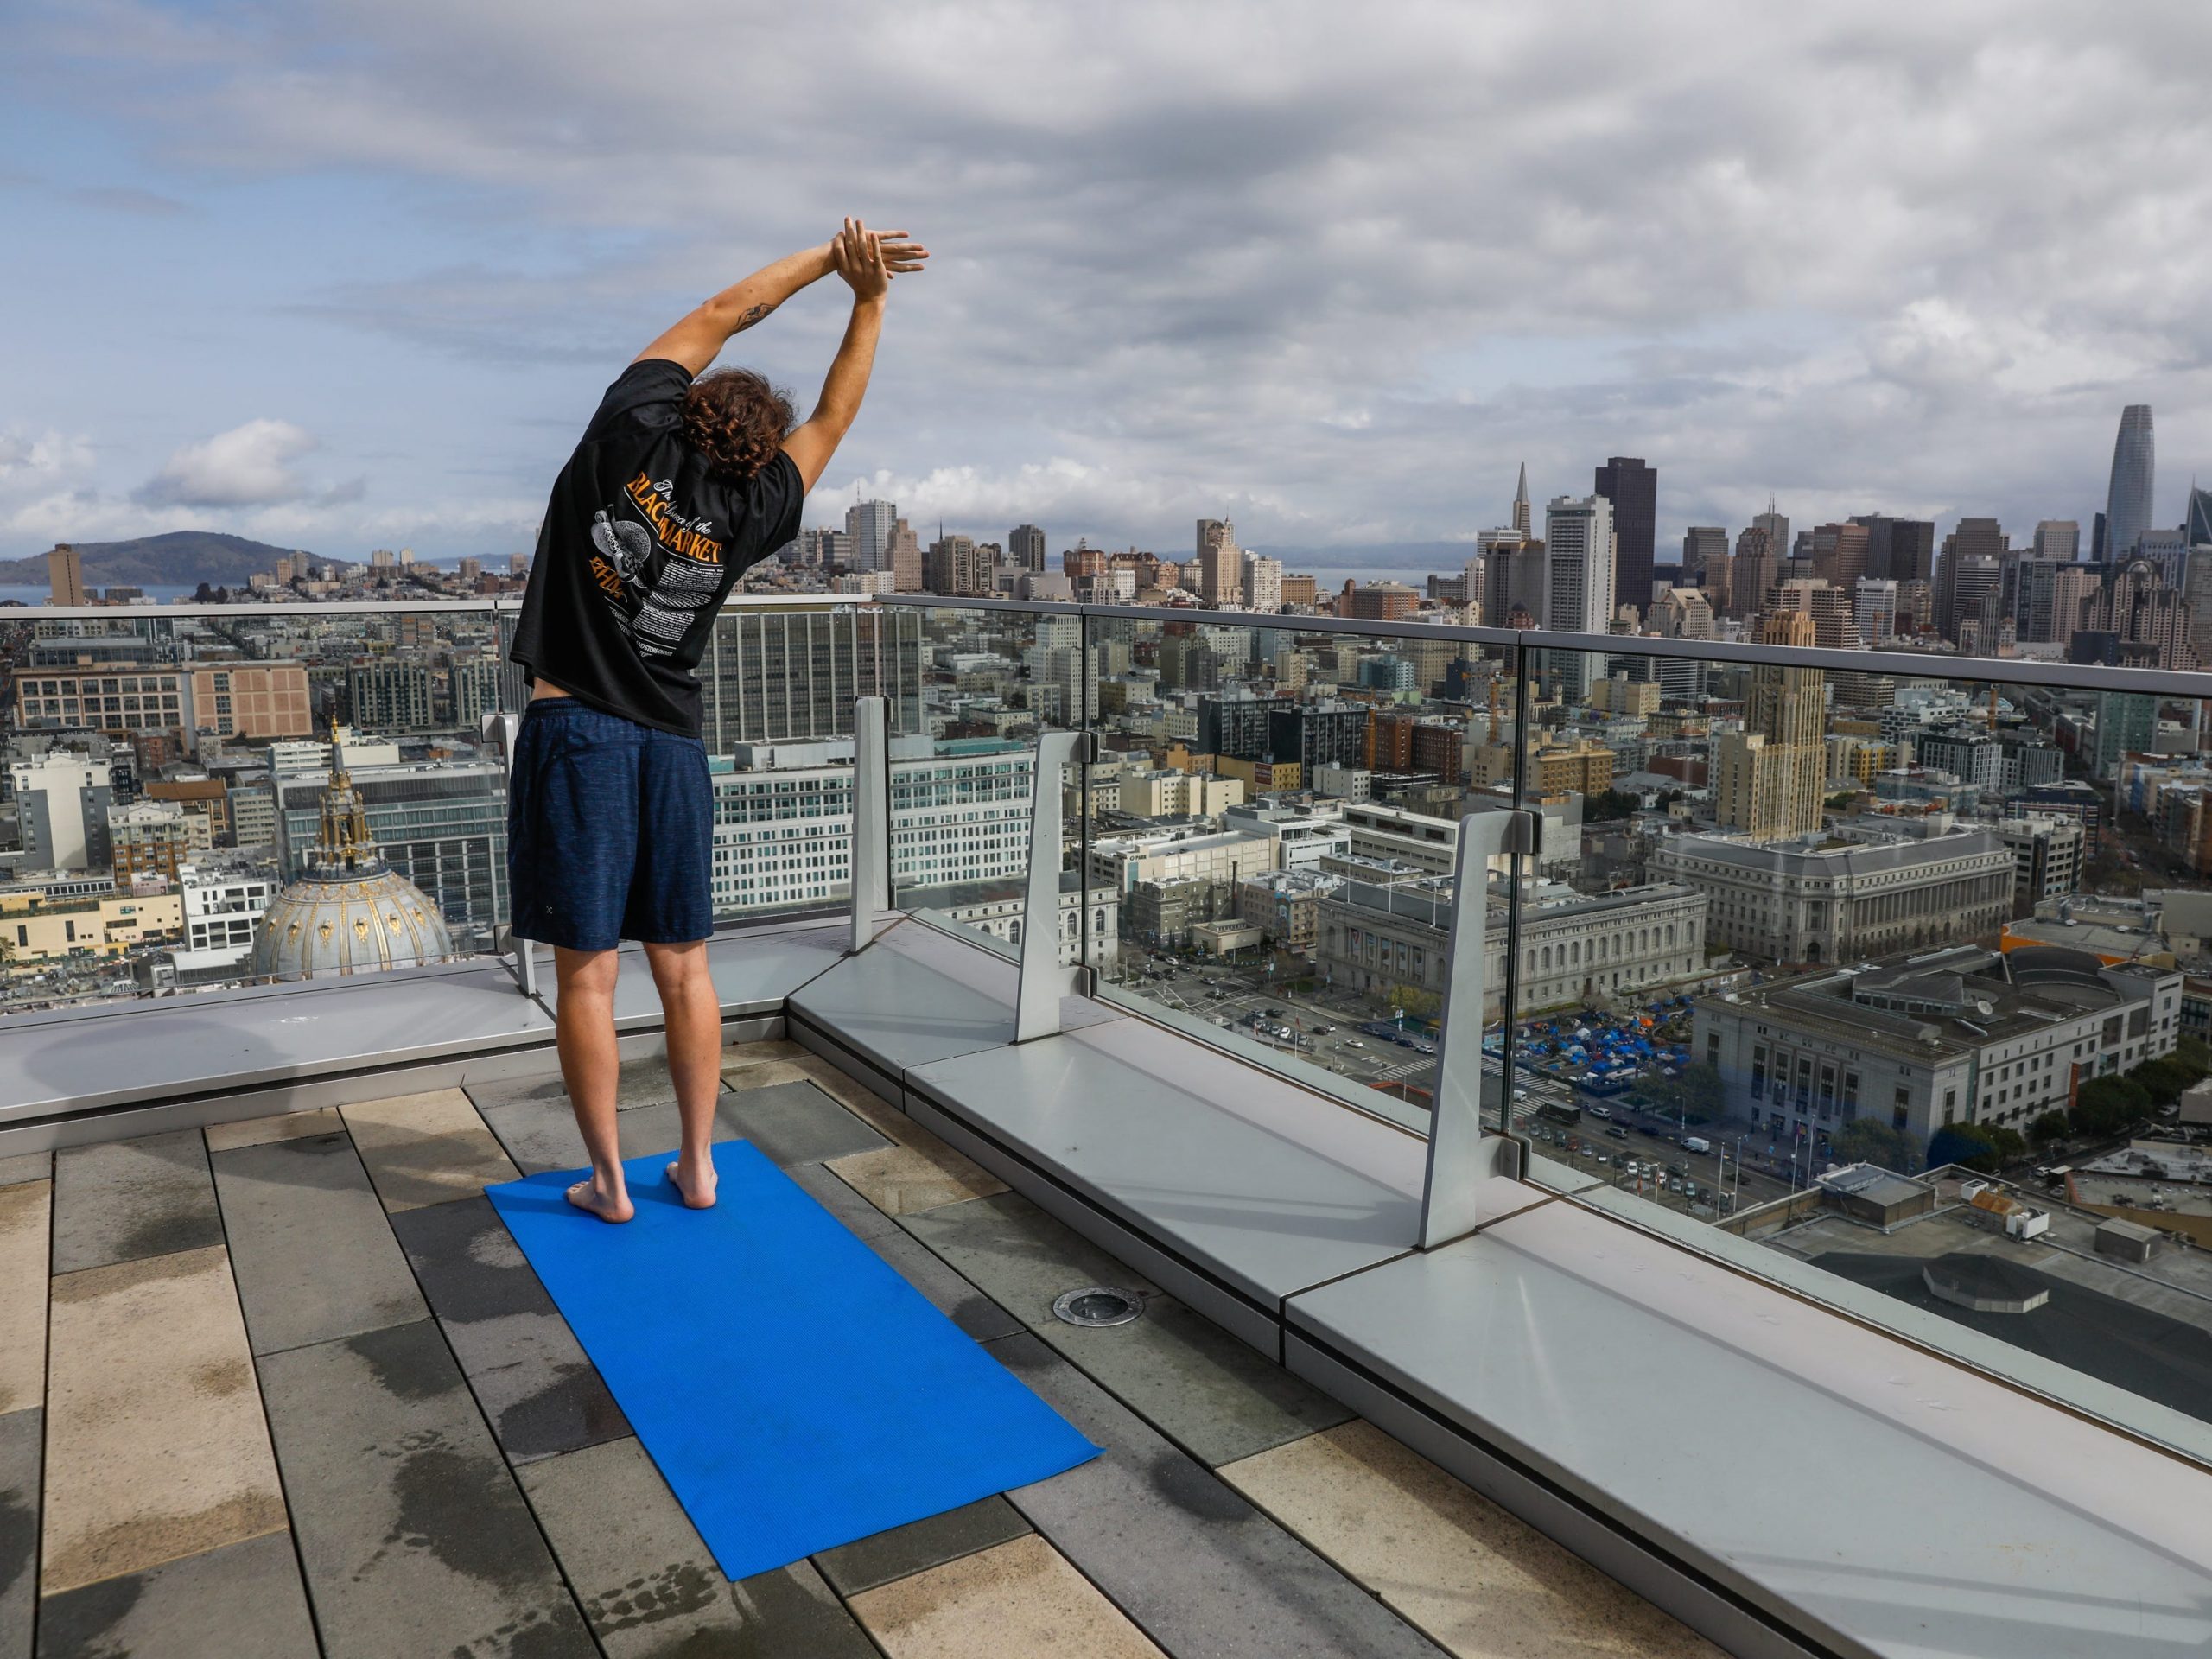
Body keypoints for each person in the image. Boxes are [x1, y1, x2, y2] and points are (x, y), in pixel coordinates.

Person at [505, 219, 927, 1222]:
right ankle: (697, 1167)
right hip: (672, 745)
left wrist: (832, 263)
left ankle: (608, 1182)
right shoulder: (761, 502)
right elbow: (836, 413)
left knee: (587, 980)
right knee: (686, 968)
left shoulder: (624, 433)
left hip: (577, 737)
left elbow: (721, 314)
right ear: (757, 449)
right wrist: (872, 302)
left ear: (683, 409)